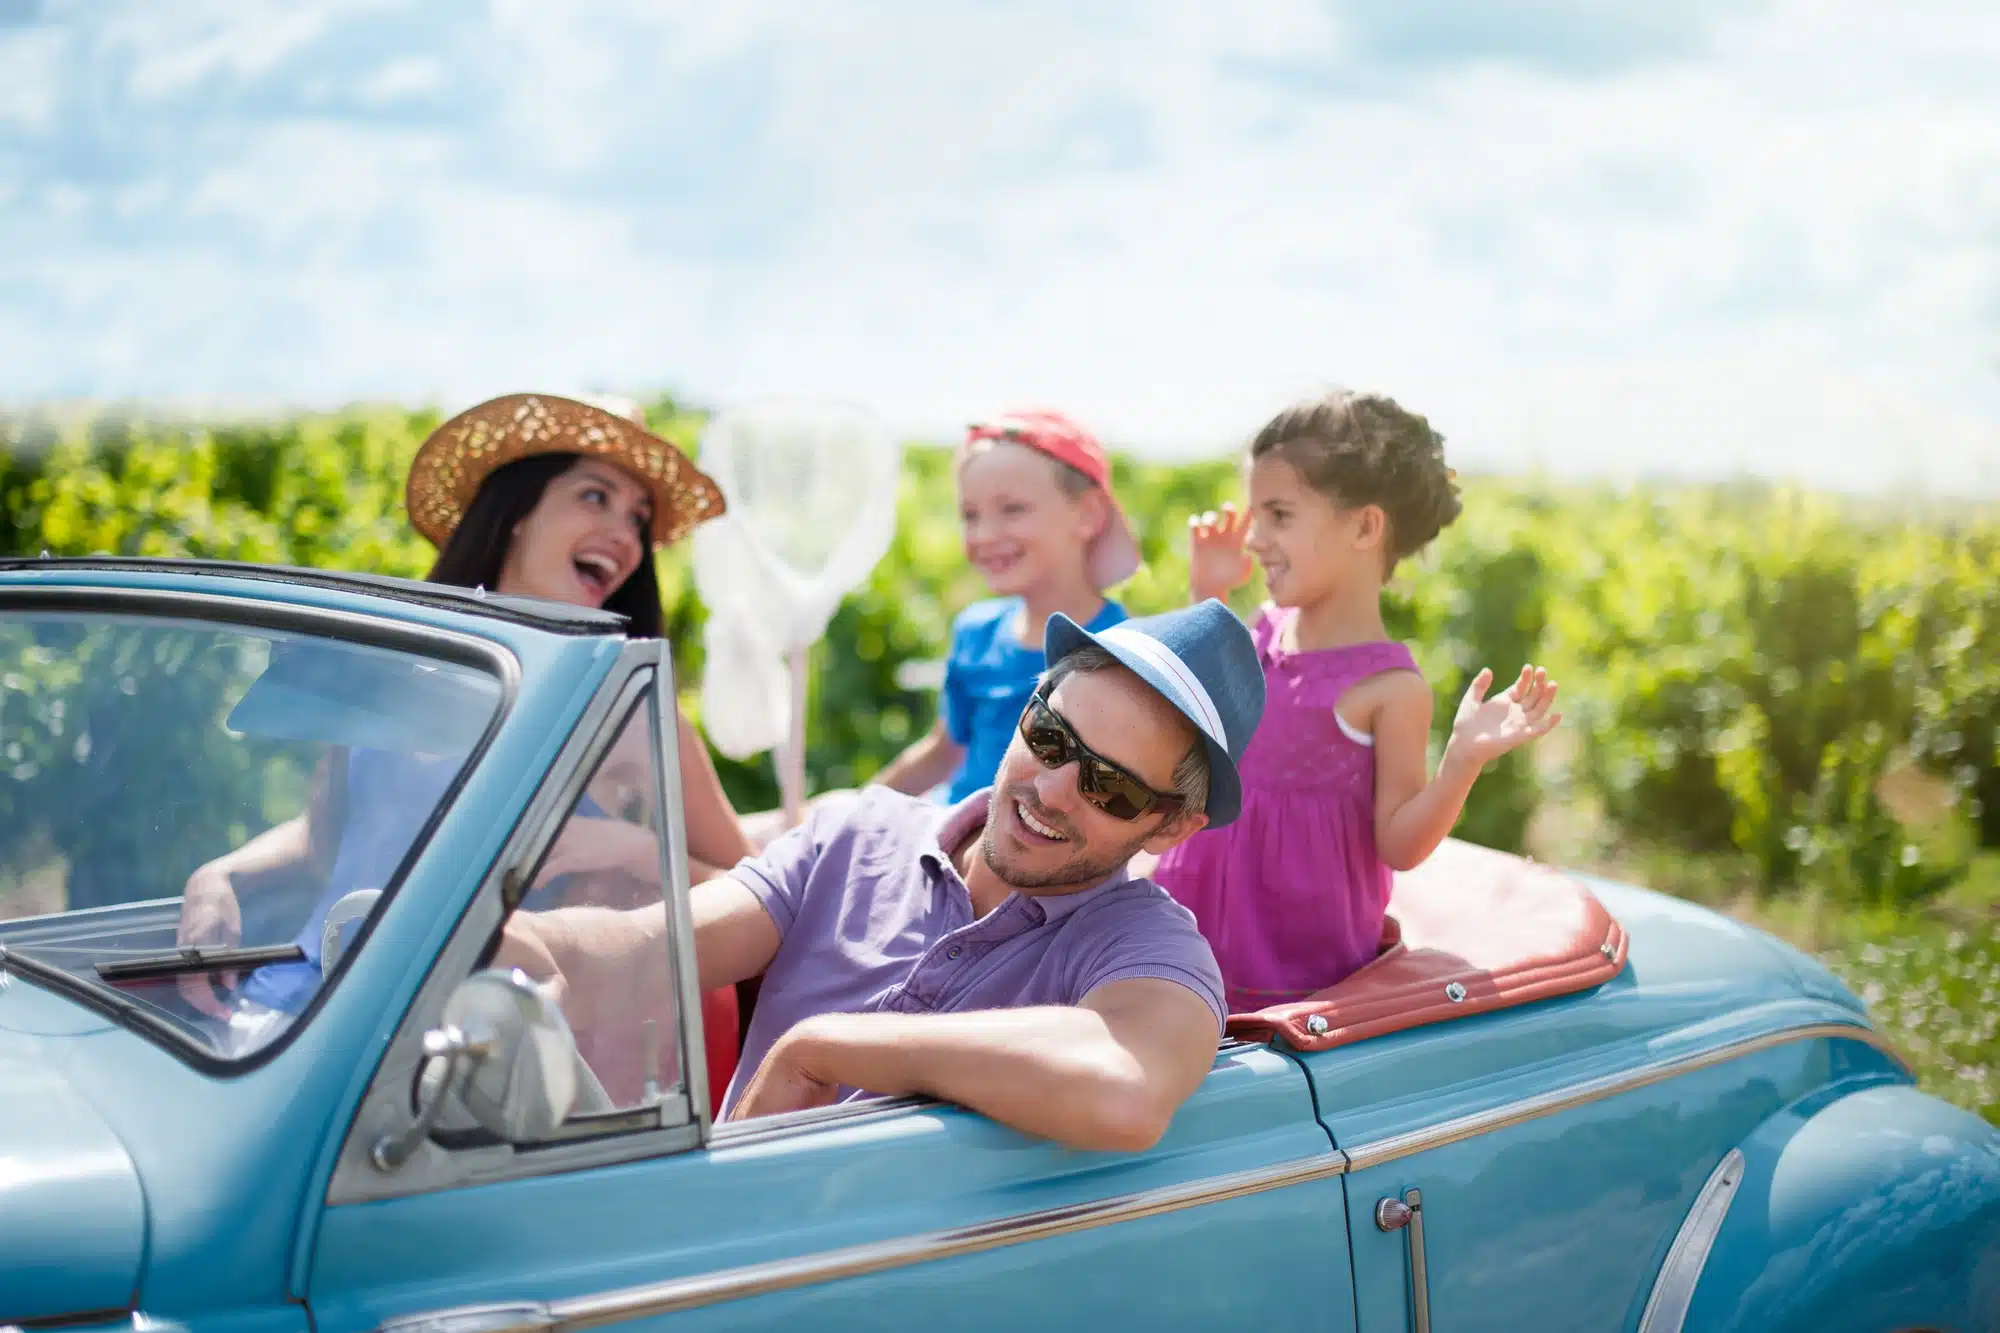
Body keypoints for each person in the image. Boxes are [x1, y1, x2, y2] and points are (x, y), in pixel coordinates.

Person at [498, 600, 1266, 1152]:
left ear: (1170, 826)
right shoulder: (859, 832)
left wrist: (828, 1047)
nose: (1054, 787)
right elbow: (646, 946)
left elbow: (1123, 1088)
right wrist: (519, 942)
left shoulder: (1150, 949)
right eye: (1052, 735)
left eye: (1113, 788)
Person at [176, 393, 752, 1106]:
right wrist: (218, 875)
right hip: (295, 1011)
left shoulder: (626, 706)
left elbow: (757, 890)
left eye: (636, 516)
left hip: (456, 1054)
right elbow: (339, 834)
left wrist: (626, 847)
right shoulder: (401, 662)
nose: (625, 534)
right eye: (594, 496)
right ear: (515, 514)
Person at [1150, 389, 1562, 1012]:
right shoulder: (1257, 631)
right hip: (1191, 930)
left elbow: (1398, 844)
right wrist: (1206, 592)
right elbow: (1184, 706)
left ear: (1366, 527)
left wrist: (1462, 761)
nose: (1255, 538)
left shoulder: (1389, 689)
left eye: (1280, 516)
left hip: (1298, 973)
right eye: (1255, 515)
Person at [871, 410, 1139, 804]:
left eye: (1012, 509)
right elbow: (943, 751)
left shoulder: (1118, 647)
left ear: (1088, 514)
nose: (984, 534)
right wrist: (856, 806)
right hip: (954, 828)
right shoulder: (975, 632)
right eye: (970, 515)